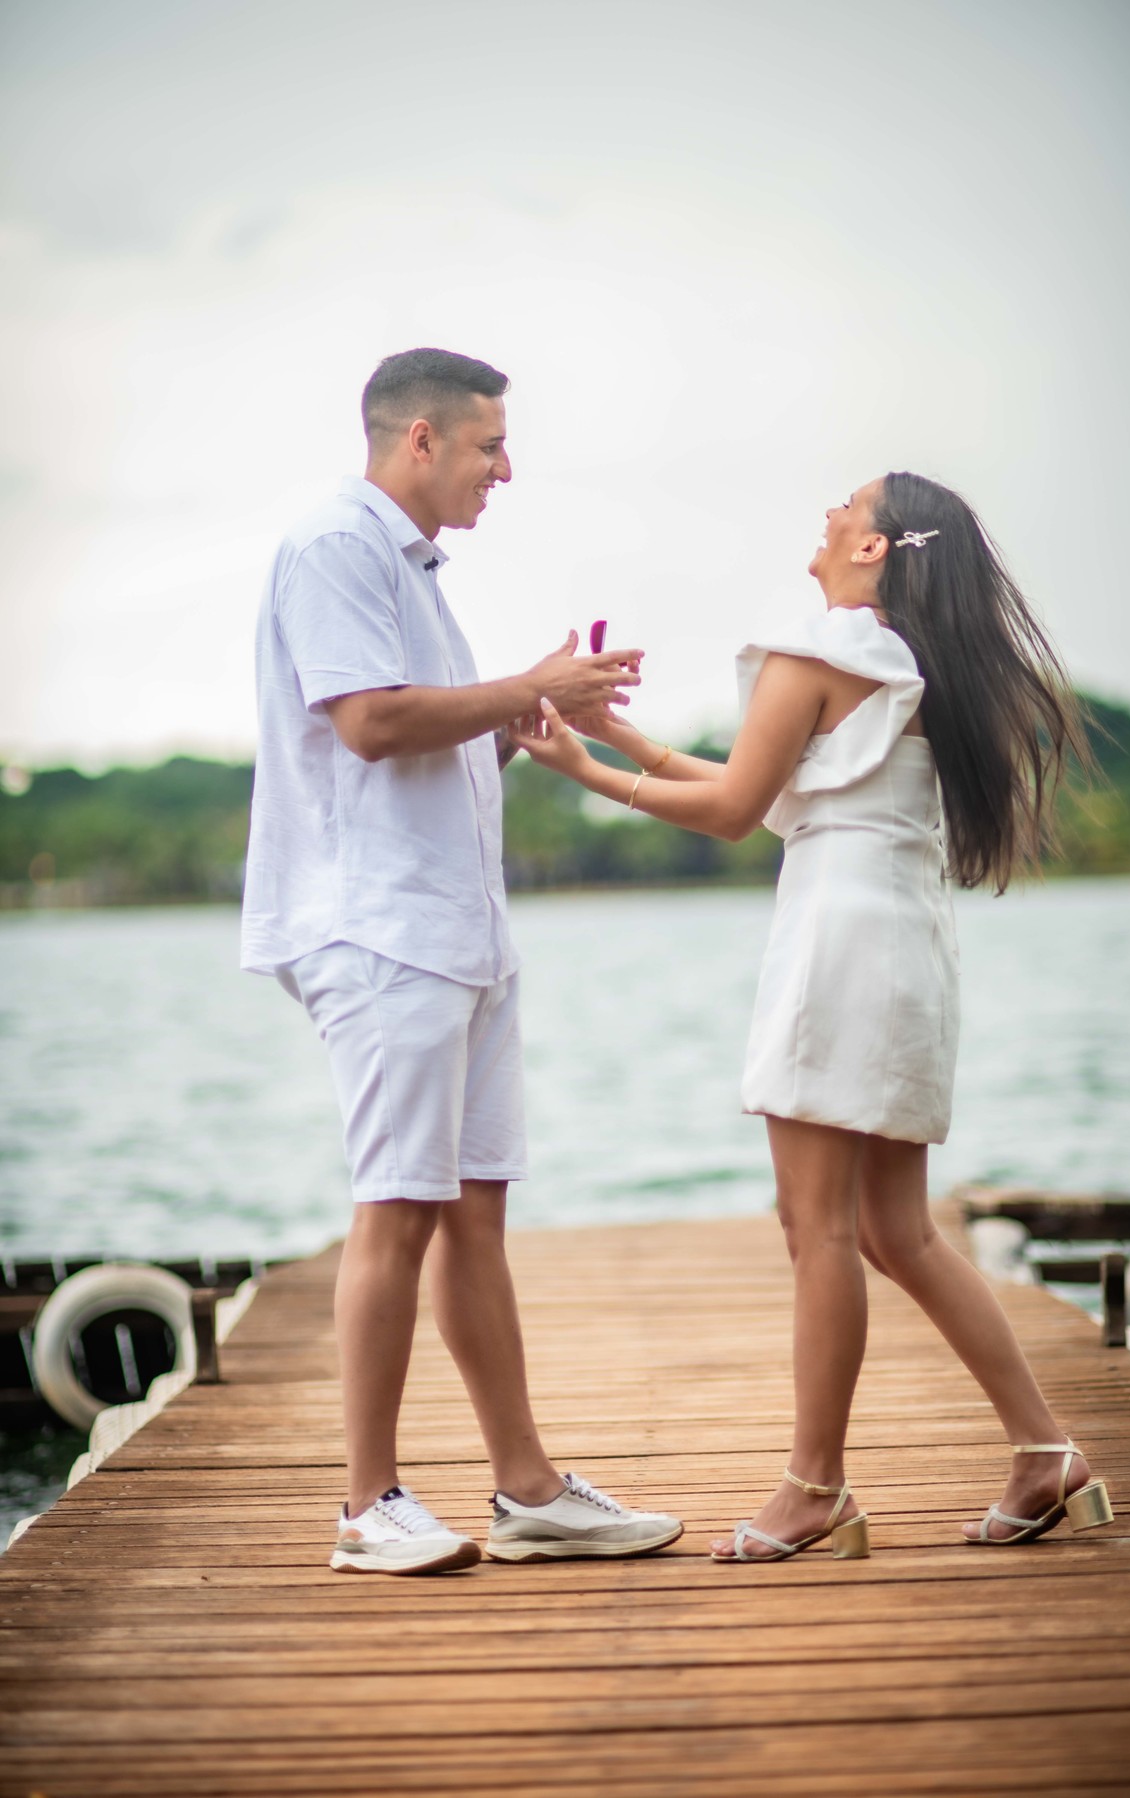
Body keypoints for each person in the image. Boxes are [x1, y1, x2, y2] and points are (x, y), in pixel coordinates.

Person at [511, 471, 1114, 1560]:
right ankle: (1042, 1450)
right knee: (895, 1229)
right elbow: (788, 787)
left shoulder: (823, 644)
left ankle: (814, 1489)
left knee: (820, 1228)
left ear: (879, 546)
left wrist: (591, 776)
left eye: (850, 500)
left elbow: (739, 809)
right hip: (906, 943)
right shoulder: (913, 667)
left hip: (838, 944)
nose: (830, 509)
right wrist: (628, 747)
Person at [241, 348, 683, 1574]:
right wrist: (518, 685)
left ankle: (527, 1489)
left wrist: (532, 717)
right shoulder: (338, 544)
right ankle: (365, 1506)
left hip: (455, 929)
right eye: (491, 443)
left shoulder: (414, 569)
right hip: (377, 929)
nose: (507, 466)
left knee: (475, 1206)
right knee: (398, 1208)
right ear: (420, 440)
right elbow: (372, 725)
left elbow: (429, 749)